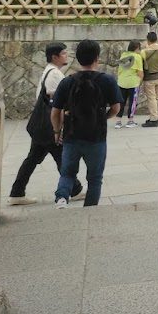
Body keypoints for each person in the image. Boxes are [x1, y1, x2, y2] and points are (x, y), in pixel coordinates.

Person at [8, 42, 84, 205]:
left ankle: (17, 192)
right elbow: (54, 99)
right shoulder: (54, 74)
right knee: (61, 157)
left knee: (33, 159)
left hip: (42, 126)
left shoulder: (50, 71)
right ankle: (75, 189)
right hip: (49, 127)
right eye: (64, 53)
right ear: (55, 56)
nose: (67, 56)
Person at [51, 39, 121, 208]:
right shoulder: (107, 81)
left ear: (78, 58)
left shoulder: (67, 82)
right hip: (96, 137)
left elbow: (55, 112)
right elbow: (116, 108)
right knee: (95, 178)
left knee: (67, 173)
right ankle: (90, 209)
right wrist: (102, 118)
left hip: (71, 136)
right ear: (97, 58)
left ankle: (62, 198)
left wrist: (57, 131)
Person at [114, 39, 143, 128]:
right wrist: (140, 81)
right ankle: (130, 121)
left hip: (121, 82)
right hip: (133, 83)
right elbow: (140, 73)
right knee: (132, 102)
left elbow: (119, 70)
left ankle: (118, 121)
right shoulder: (137, 57)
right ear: (137, 48)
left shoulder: (123, 55)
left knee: (121, 102)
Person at [141, 31, 158, 127]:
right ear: (156, 39)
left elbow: (142, 62)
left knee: (151, 98)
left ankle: (154, 118)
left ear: (148, 40)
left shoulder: (144, 51)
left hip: (149, 77)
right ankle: (155, 116)